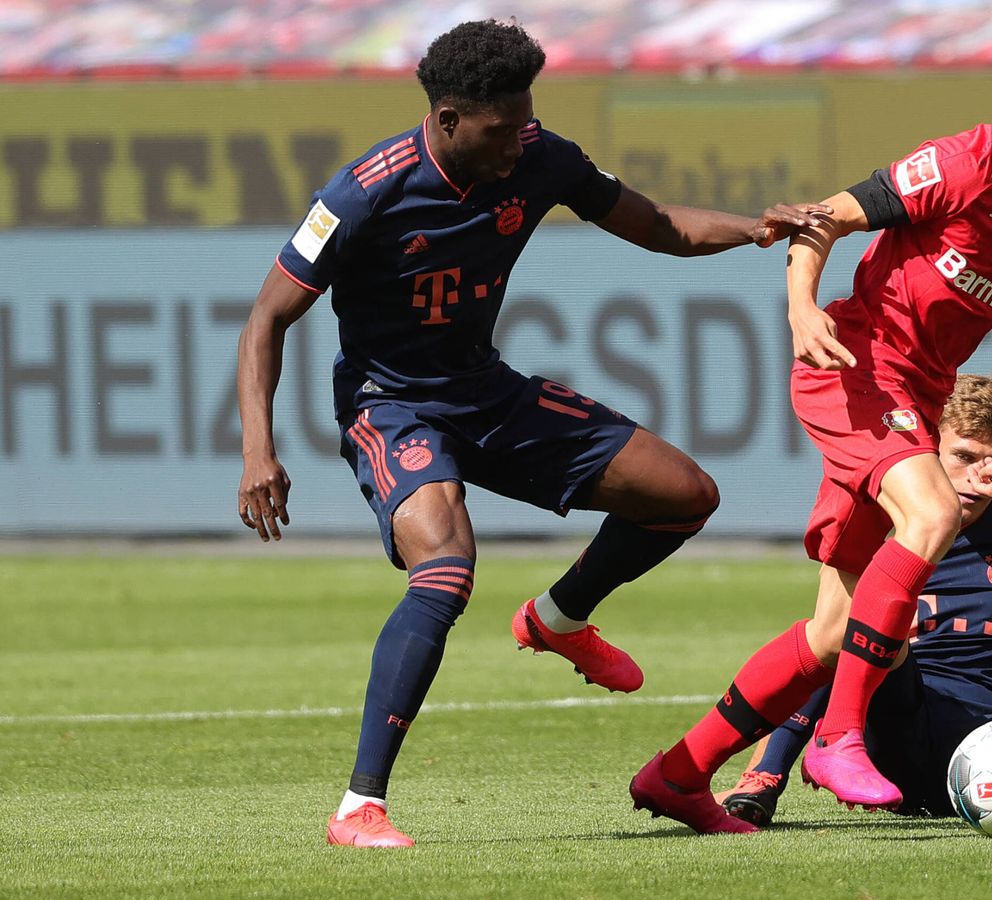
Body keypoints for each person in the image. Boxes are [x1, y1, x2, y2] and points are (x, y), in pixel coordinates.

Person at [235, 19, 827, 848]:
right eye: (500, 128)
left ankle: (559, 618)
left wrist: (759, 228)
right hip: (392, 403)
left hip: (485, 390)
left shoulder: (541, 155)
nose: (519, 139)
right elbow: (267, 317)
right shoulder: (364, 191)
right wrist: (259, 449)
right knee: (445, 568)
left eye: (525, 120)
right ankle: (359, 806)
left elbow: (657, 224)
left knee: (684, 496)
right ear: (445, 119)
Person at [631, 55, 992, 833]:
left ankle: (678, 774)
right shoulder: (978, 160)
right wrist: (801, 308)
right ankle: (837, 737)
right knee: (929, 516)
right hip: (858, 368)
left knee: (833, 629)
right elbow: (822, 219)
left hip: (916, 399)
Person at [715, 374, 992, 827]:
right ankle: (762, 782)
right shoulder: (879, 528)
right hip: (901, 731)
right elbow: (821, 653)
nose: (981, 476)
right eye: (964, 457)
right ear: (928, 448)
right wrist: (760, 761)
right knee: (844, 628)